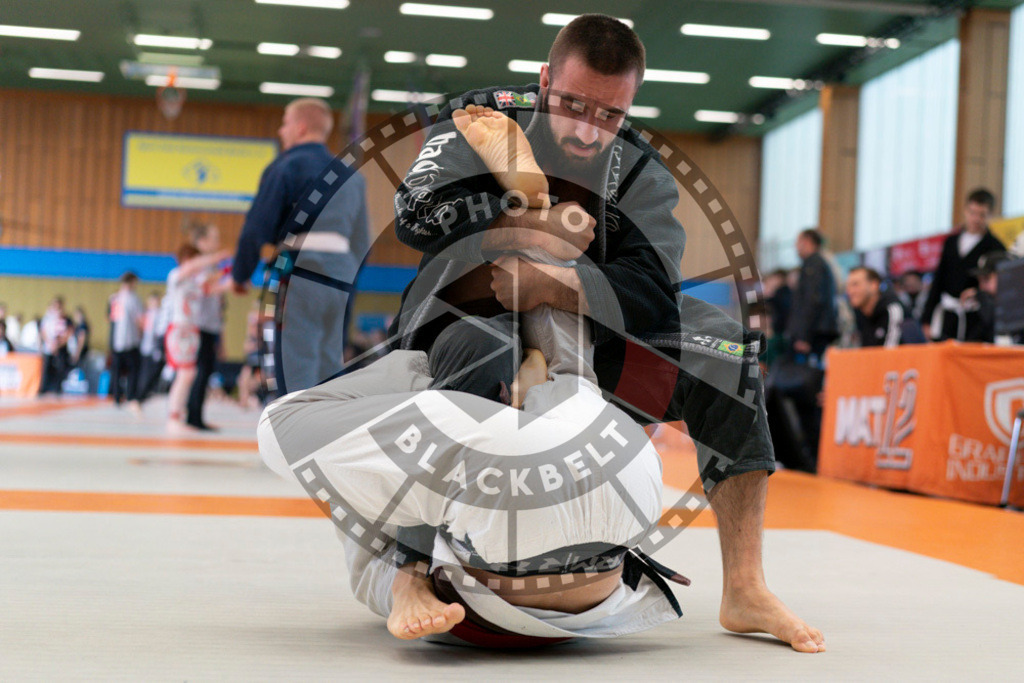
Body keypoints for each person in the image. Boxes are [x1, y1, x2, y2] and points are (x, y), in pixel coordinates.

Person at [376, 14, 820, 652]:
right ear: (545, 80)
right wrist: (521, 224)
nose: (588, 128)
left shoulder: (638, 172)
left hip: (587, 334)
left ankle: (745, 587)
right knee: (485, 351)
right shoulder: (484, 120)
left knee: (727, 350)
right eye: (573, 104)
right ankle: (409, 571)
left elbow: (652, 291)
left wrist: (555, 284)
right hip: (470, 318)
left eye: (609, 114)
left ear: (631, 104)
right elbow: (413, 218)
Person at [231, 97, 370, 394]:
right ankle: (327, 434)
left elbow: (257, 228)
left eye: (284, 123)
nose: (281, 131)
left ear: (300, 127)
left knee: (294, 360)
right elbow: (362, 241)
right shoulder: (352, 176)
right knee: (330, 358)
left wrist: (240, 275)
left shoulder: (287, 166)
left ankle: (295, 434)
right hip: (341, 277)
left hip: (299, 271)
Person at [922, 188, 1007, 341]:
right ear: (965, 211)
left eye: (982, 214)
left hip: (976, 316)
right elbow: (939, 279)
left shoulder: (996, 247)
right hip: (949, 313)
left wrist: (978, 294)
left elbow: (998, 286)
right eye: (972, 213)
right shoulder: (951, 242)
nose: (976, 219)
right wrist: (926, 318)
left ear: (990, 215)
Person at [164, 244, 232, 433]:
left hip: (191, 331)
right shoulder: (176, 276)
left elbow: (212, 286)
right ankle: (173, 417)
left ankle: (177, 414)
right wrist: (216, 256)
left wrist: (231, 275)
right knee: (186, 374)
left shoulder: (194, 282)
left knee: (188, 374)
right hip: (179, 328)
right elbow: (193, 268)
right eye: (195, 261)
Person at [185, 222, 228, 430]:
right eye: (214, 238)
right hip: (198, 325)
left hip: (210, 325)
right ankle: (192, 416)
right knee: (200, 371)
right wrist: (229, 276)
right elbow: (204, 286)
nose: (218, 242)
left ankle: (196, 414)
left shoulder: (211, 265)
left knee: (207, 370)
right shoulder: (197, 264)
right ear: (202, 241)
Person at [787, 229, 838, 359]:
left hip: (814, 335)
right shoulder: (818, 263)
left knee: (808, 375)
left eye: (798, 242)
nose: (796, 247)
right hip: (815, 332)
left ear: (807, 242)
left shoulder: (813, 265)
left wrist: (804, 336)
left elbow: (813, 300)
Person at [845, 267, 924, 347]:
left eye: (855, 284)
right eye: (848, 286)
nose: (850, 291)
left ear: (874, 285)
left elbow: (889, 354)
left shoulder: (892, 309)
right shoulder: (858, 313)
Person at [959, 251, 1015, 343]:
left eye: (986, 279)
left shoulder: (1017, 307)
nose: (981, 287)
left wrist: (982, 298)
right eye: (979, 280)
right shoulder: (982, 304)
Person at [108, 272, 144, 411]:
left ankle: (117, 397)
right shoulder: (133, 298)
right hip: (130, 340)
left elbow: (112, 320)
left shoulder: (115, 297)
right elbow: (139, 319)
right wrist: (141, 335)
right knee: (133, 371)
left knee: (117, 371)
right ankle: (130, 396)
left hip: (117, 341)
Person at [136, 292, 166, 403]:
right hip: (147, 348)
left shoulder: (158, 314)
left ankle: (145, 392)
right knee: (145, 372)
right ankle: (142, 393)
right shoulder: (148, 314)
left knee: (151, 372)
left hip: (153, 348)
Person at [39, 297, 72, 395]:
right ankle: (43, 389)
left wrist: (58, 344)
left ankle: (58, 389)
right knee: (46, 368)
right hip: (49, 347)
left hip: (60, 347)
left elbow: (68, 333)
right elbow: (43, 331)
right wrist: (50, 343)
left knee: (60, 368)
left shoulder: (65, 319)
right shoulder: (48, 318)